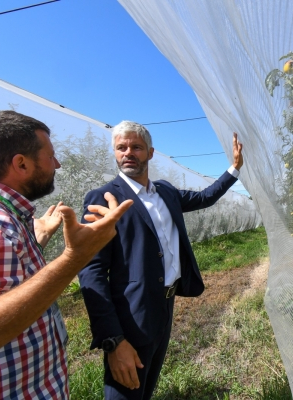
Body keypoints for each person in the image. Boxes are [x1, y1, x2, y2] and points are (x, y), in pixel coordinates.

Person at [0, 111, 133, 399]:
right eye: (51, 156)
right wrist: (75, 257)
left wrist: (37, 242)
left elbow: (2, 289)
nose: (57, 164)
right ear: (21, 163)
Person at [78, 121, 244, 399]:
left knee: (147, 386)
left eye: (136, 147)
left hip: (165, 306)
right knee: (125, 391)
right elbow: (92, 270)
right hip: (131, 315)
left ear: (150, 153)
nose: (128, 152)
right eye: (121, 147)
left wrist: (235, 168)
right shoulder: (105, 198)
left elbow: (205, 197)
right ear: (115, 153)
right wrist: (113, 340)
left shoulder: (165, 192)